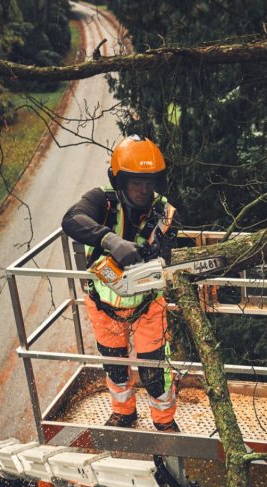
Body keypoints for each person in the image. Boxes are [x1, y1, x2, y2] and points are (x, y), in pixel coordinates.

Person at [61, 135, 180, 432]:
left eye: (150, 181)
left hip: (147, 304)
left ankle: (164, 421)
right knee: (114, 365)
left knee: (154, 370)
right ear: (120, 180)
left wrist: (153, 259)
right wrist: (110, 240)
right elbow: (71, 219)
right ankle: (123, 412)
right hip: (104, 305)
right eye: (136, 181)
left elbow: (167, 254)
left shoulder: (163, 212)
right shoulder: (102, 200)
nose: (144, 189)